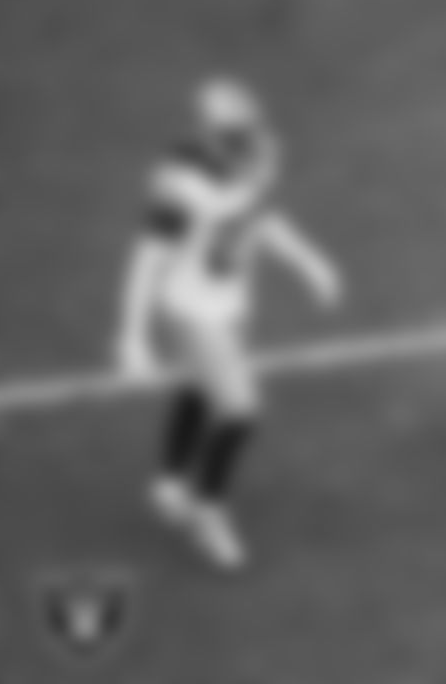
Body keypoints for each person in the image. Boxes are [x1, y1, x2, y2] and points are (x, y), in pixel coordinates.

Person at [113, 76, 343, 571]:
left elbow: (260, 220)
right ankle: (208, 509)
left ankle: (170, 481)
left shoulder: (247, 160)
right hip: (190, 309)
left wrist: (310, 263)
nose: (247, 141)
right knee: (240, 410)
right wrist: (131, 335)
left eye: (247, 131)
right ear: (210, 132)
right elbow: (146, 258)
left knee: (198, 389)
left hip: (227, 305)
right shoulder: (177, 181)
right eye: (237, 134)